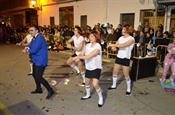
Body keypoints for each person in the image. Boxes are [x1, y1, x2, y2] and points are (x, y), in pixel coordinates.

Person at [21, 25, 55, 99]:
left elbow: (34, 49)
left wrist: (26, 50)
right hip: (35, 59)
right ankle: (39, 89)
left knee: (39, 77)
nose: (30, 32)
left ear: (37, 31)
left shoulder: (39, 38)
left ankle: (50, 90)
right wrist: (27, 47)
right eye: (29, 30)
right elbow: (31, 45)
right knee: (34, 74)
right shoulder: (34, 38)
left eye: (32, 30)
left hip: (41, 60)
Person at [73, 31, 103, 107]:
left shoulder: (98, 47)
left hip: (96, 67)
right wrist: (78, 56)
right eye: (90, 36)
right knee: (87, 83)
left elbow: (89, 56)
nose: (90, 38)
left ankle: (100, 97)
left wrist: (78, 57)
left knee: (95, 84)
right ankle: (88, 95)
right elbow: (82, 53)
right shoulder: (88, 45)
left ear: (96, 37)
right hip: (89, 67)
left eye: (92, 36)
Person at [107, 24, 135, 96]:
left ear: (128, 30)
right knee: (115, 72)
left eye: (124, 29)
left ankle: (128, 89)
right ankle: (114, 85)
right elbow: (115, 48)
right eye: (122, 29)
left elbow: (124, 45)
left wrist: (113, 45)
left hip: (126, 57)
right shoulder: (120, 38)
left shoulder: (131, 39)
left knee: (126, 75)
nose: (122, 31)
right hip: (119, 56)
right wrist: (111, 46)